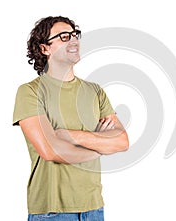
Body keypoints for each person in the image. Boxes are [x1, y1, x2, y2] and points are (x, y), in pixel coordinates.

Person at [13, 16, 129, 221]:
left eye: (75, 35)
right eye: (64, 37)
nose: (73, 41)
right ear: (44, 49)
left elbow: (122, 141)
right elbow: (50, 150)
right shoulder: (30, 92)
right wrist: (100, 147)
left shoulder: (95, 91)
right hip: (52, 211)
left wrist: (70, 136)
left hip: (94, 207)